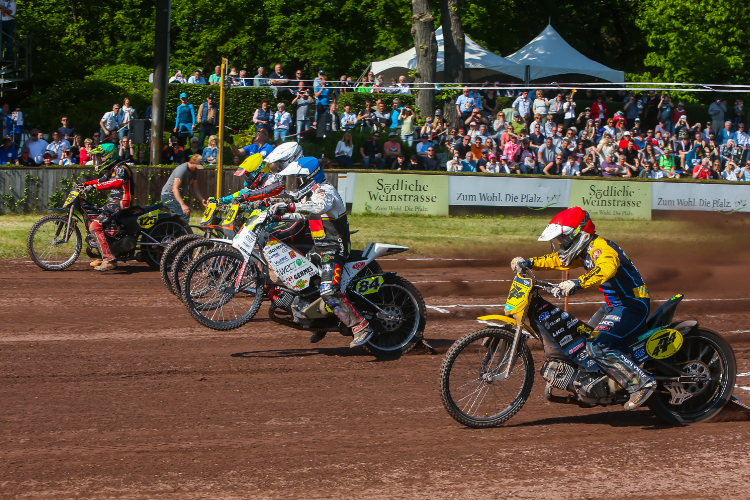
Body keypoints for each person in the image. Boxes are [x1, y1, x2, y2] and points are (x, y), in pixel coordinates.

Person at [510, 207, 655, 410]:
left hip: (631, 305)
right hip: (614, 307)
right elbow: (558, 261)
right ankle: (596, 386)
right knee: (583, 343)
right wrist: (529, 263)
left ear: (579, 234)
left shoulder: (601, 249)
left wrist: (577, 283)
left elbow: (606, 269)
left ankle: (641, 383)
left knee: (597, 345)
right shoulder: (585, 249)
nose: (562, 244)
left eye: (565, 240)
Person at [269, 157, 374, 347]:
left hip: (334, 249)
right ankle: (322, 322)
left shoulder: (325, 191)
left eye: (296, 179)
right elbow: (303, 213)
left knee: (328, 291)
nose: (294, 184)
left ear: (309, 178)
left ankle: (361, 325)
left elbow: (319, 207)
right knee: (303, 285)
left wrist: (291, 206)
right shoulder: (310, 194)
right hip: (318, 249)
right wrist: (278, 214)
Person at [78, 148, 135, 271]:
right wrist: (84, 184)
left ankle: (109, 259)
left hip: (122, 202)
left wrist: (95, 187)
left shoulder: (121, 168)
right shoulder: (112, 169)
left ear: (108, 156)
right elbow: (100, 181)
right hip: (112, 202)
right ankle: (103, 253)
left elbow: (117, 183)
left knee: (96, 226)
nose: (97, 160)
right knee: (91, 220)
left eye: (99, 157)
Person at [160, 154, 207, 223]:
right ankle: (183, 233)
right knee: (184, 213)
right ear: (191, 163)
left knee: (177, 217)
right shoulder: (182, 169)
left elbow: (195, 189)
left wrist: (202, 200)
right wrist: (183, 205)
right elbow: (175, 189)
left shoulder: (194, 171)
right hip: (168, 196)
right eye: (196, 166)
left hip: (174, 197)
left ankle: (175, 232)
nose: (197, 169)